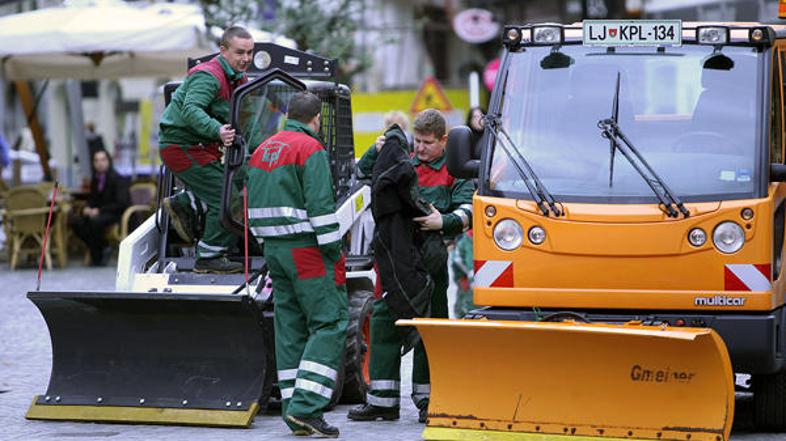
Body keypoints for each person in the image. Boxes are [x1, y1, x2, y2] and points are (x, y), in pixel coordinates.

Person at [348, 109, 475, 423]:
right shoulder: (402, 158)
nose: (419, 148)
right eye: (416, 141)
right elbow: (364, 174)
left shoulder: (455, 169)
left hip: (429, 258)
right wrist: (375, 149)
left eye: (427, 143)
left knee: (429, 330)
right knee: (382, 321)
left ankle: (428, 400)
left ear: (444, 141)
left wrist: (441, 221)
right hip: (393, 255)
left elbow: (467, 210)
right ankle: (382, 402)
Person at [246, 92, 346, 438]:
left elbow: (251, 204)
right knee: (329, 321)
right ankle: (306, 408)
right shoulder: (310, 149)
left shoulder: (262, 149)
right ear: (316, 118)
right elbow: (320, 206)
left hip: (274, 250)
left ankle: (293, 408)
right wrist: (333, 249)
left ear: (289, 114)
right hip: (306, 250)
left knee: (289, 327)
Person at [158, 26, 254, 274]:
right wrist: (218, 131)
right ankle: (209, 257)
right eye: (240, 52)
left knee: (245, 181)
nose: (246, 58)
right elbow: (191, 109)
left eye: (250, 53)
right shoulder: (209, 75)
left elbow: (247, 119)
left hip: (201, 147)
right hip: (182, 147)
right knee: (229, 197)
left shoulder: (239, 79)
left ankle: (188, 203)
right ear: (223, 50)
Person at [70, 149, 129, 266]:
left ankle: (99, 254)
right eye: (96, 160)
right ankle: (103, 247)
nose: (100, 163)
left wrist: (99, 210)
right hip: (100, 213)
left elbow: (122, 203)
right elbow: (93, 199)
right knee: (75, 221)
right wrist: (87, 208)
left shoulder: (118, 178)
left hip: (116, 213)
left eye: (103, 160)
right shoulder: (96, 179)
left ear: (109, 161)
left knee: (94, 222)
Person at [451, 229, 476, 318]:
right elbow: (471, 266)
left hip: (465, 270)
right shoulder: (470, 238)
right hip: (463, 273)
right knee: (469, 299)